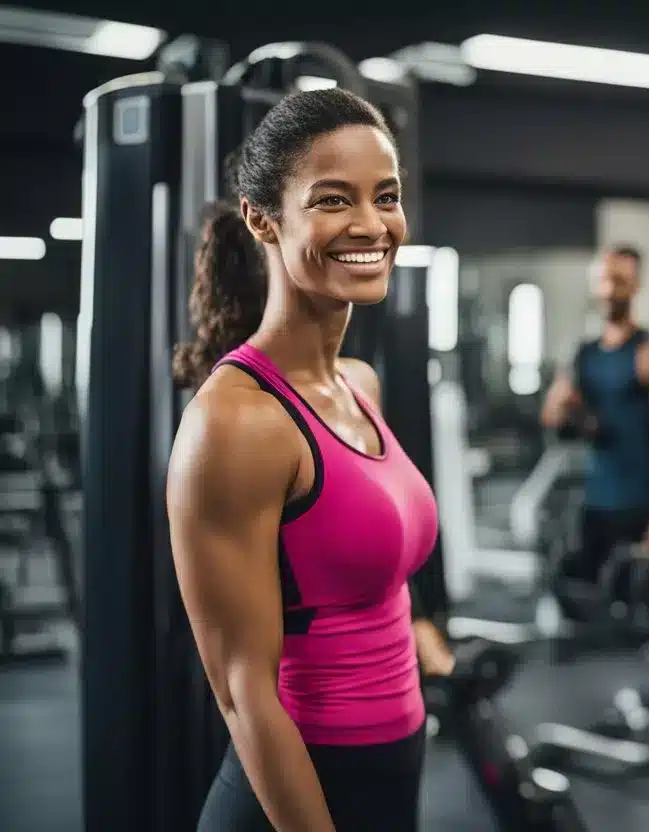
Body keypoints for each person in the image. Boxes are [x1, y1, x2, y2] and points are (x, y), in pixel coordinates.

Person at [166, 87, 454, 832]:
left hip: (395, 769)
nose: (371, 225)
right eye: (333, 200)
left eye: (384, 196)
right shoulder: (236, 423)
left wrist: (417, 626)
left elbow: (361, 561)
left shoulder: (358, 385)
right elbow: (242, 694)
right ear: (263, 218)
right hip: (297, 794)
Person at [540, 246, 649, 588]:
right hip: (594, 505)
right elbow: (551, 418)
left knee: (642, 616)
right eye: (603, 280)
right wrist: (568, 407)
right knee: (587, 612)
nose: (609, 290)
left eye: (619, 281)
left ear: (636, 286)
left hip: (640, 507)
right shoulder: (582, 355)